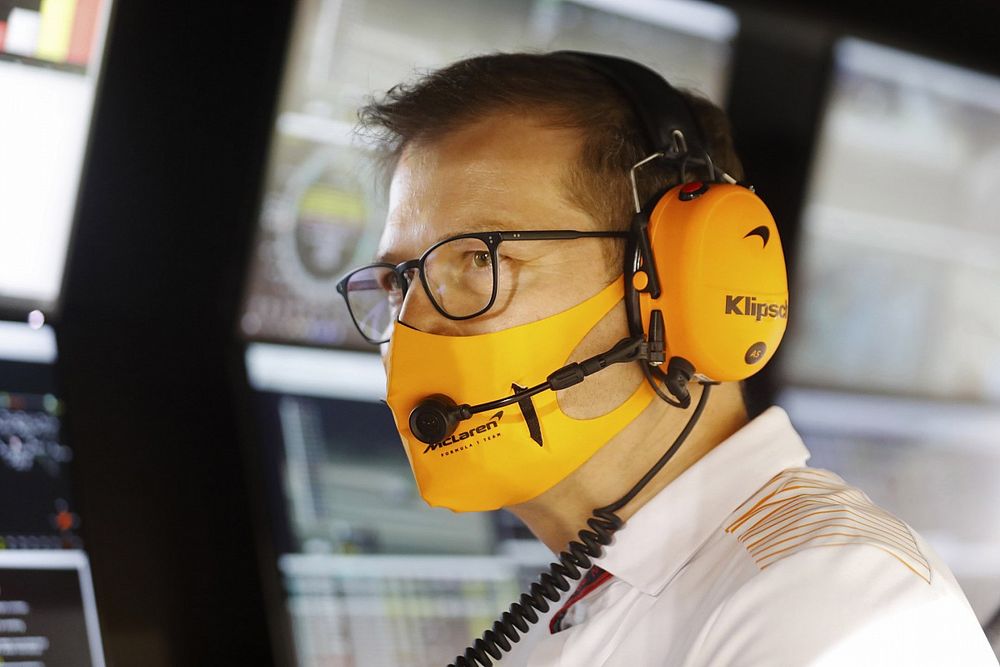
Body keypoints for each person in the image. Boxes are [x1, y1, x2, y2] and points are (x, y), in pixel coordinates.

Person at [336, 52, 998, 666]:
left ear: (682, 284)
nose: (410, 327)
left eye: (479, 259)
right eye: (399, 281)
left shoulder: (838, 607)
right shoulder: (575, 610)